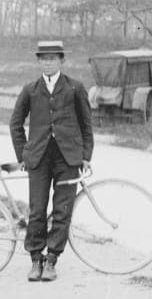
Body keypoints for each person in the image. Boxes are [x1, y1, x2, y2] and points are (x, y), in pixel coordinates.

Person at [9, 40, 94, 283]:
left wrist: (85, 156)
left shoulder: (75, 88)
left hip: (68, 158)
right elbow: (15, 124)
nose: (47, 63)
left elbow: (86, 124)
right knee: (37, 209)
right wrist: (23, 155)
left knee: (62, 210)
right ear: (39, 61)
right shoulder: (30, 89)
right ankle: (36, 259)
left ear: (61, 60)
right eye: (43, 59)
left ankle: (52, 260)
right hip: (38, 158)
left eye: (52, 58)